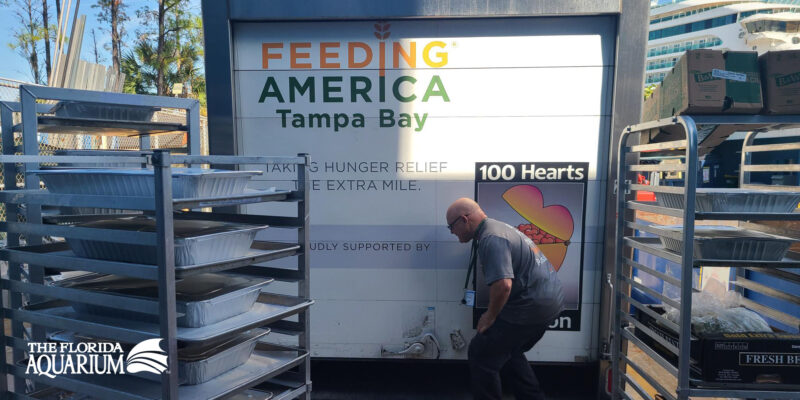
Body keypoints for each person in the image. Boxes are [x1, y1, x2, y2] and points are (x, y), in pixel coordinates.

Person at [446, 198, 565, 400]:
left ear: (464, 220)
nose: (452, 232)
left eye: (451, 226)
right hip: (548, 303)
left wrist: (490, 316)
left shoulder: (492, 238)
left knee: (481, 352)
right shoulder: (497, 229)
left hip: (530, 305)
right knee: (507, 350)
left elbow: (503, 285)